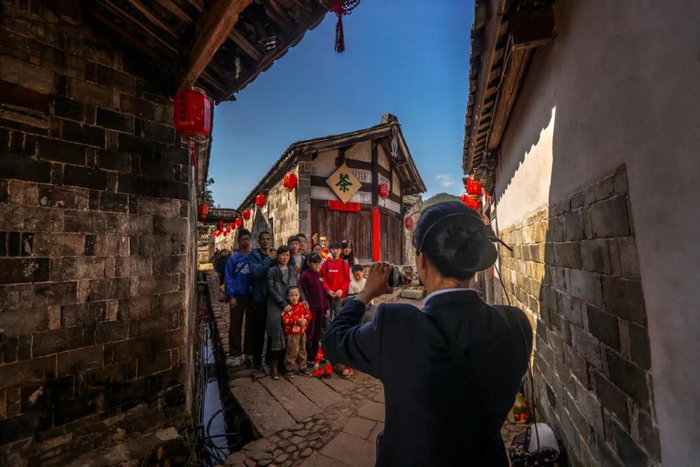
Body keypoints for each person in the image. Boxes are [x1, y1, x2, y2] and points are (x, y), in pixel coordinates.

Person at [322, 201, 533, 467]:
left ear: (420, 260)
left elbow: (333, 340)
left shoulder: (397, 325)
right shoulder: (516, 324)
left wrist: (365, 293)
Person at [266, 246, 305, 380]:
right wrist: (283, 304)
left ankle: (286, 365)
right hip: (277, 306)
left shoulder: (292, 270)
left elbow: (298, 286)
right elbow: (271, 289)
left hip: (292, 306)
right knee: (277, 337)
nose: (285, 258)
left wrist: (303, 300)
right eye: (282, 255)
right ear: (278, 256)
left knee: (290, 336)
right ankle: (274, 366)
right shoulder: (272, 271)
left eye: (287, 255)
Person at [224, 230, 254, 368]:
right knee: (235, 325)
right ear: (239, 241)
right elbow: (228, 277)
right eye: (243, 239)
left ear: (251, 240)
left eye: (247, 239)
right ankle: (235, 354)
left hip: (252, 296)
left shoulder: (254, 256)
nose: (245, 242)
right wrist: (231, 296)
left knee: (250, 325)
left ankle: (248, 352)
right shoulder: (233, 259)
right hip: (237, 296)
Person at [247, 231, 277, 370]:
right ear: (258, 241)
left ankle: (270, 358)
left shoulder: (275, 254)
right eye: (263, 239)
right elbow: (256, 272)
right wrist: (268, 259)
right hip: (259, 297)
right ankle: (257, 360)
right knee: (258, 331)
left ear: (271, 240)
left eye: (268, 239)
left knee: (273, 330)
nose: (265, 241)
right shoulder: (253, 256)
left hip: (273, 298)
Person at [299, 253, 326, 367]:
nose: (317, 266)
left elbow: (323, 292)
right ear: (309, 263)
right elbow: (302, 291)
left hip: (320, 308)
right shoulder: (305, 275)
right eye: (315, 263)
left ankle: (316, 354)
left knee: (317, 332)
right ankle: (309, 356)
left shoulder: (319, 274)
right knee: (309, 333)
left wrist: (326, 306)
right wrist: (305, 305)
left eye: (319, 263)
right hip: (310, 309)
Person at [282, 286, 312, 379]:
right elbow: (285, 319)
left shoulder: (302, 305)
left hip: (302, 332)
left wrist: (305, 320)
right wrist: (297, 321)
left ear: (299, 296)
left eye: (296, 295)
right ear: (288, 297)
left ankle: (303, 367)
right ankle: (289, 368)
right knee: (292, 351)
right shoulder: (287, 308)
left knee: (302, 350)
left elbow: (309, 314)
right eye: (291, 295)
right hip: (292, 334)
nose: (294, 297)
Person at [321, 242, 350, 328]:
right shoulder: (325, 264)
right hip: (328, 296)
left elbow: (347, 280)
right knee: (327, 319)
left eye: (337, 249)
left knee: (340, 318)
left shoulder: (344, 264)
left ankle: (339, 334)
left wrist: (341, 290)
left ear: (341, 251)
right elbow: (322, 279)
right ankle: (327, 334)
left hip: (340, 296)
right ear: (330, 250)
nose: (335, 251)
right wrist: (328, 290)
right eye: (333, 249)